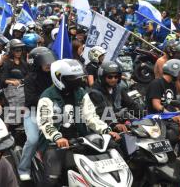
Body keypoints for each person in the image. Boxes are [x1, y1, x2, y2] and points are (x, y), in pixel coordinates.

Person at [37, 59, 120, 187]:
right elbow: (45, 123)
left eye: (79, 78)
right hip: (53, 144)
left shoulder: (81, 93)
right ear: (59, 78)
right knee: (51, 179)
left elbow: (91, 117)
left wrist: (107, 130)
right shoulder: (47, 97)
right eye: (73, 79)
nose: (77, 82)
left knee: (104, 164)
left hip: (81, 140)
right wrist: (57, 137)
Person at [18, 47, 56, 181]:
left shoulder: (56, 76)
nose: (48, 64)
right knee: (33, 140)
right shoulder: (30, 79)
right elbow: (30, 100)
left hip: (55, 112)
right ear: (36, 62)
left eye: (50, 61)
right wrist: (48, 100)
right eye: (44, 61)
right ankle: (23, 168)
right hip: (33, 112)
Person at [146, 58, 180, 156]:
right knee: (165, 149)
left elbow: (175, 106)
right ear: (175, 70)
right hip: (157, 121)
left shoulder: (172, 86)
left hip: (169, 122)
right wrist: (170, 116)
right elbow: (156, 105)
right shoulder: (157, 83)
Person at [89, 61, 143, 130]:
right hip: (105, 126)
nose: (113, 79)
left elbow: (131, 104)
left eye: (116, 77)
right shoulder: (95, 93)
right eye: (110, 77)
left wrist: (144, 115)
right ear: (102, 77)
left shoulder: (117, 88)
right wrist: (115, 125)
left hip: (120, 119)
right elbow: (103, 113)